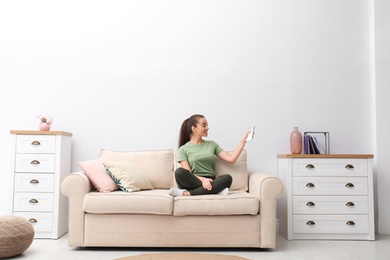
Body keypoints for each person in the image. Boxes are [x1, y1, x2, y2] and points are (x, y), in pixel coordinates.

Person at [169, 114, 252, 196]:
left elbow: (231, 159)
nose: (207, 128)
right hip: (193, 180)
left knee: (227, 178)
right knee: (179, 172)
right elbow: (188, 173)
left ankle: (189, 193)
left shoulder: (212, 145)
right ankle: (215, 190)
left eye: (207, 125)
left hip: (210, 181)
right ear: (194, 128)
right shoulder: (183, 149)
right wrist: (203, 180)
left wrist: (243, 141)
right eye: (204, 125)